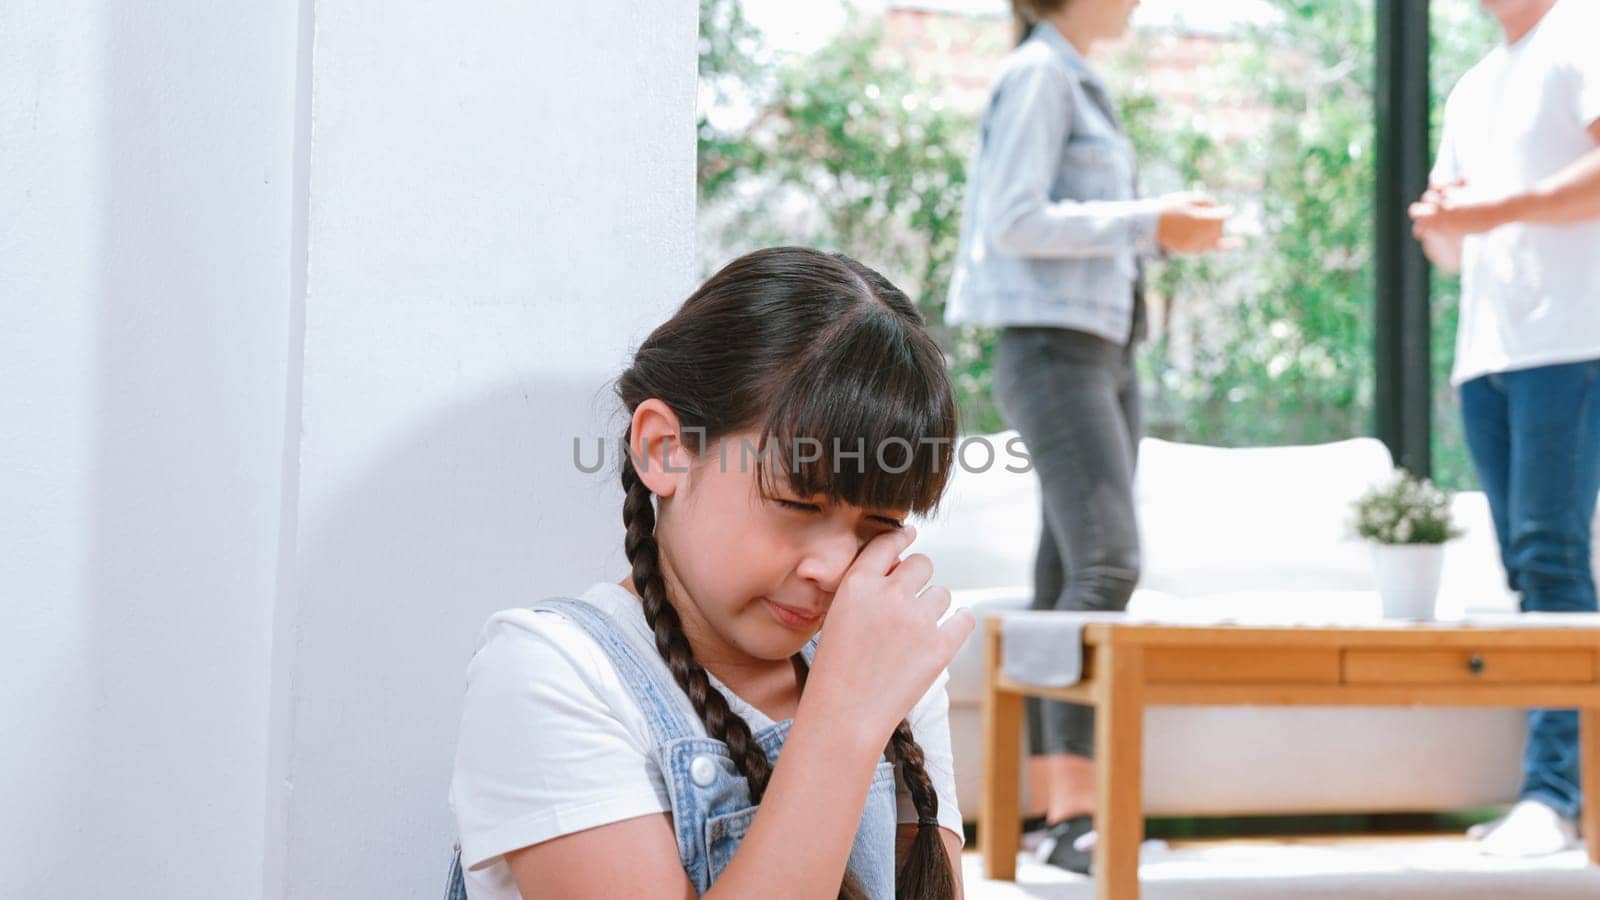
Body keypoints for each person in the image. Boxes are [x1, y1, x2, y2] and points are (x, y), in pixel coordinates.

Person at [444, 247, 976, 899]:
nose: (834, 568)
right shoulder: (548, 675)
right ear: (665, 449)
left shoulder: (887, 667)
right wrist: (843, 717)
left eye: (878, 525)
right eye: (796, 503)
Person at [944, 0, 1235, 875]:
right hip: (1051, 347)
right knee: (1108, 564)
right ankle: (1076, 813)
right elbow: (1013, 220)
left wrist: (1158, 236)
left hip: (1102, 345)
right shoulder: (1039, 75)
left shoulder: (1074, 76)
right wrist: (1150, 221)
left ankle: (1052, 812)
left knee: (1068, 571)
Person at [1410, 0, 1600, 859]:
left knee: (1553, 554)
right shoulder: (1473, 85)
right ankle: (1554, 792)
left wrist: (1490, 210)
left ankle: (1554, 797)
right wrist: (1443, 223)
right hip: (1487, 355)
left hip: (1574, 341)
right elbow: (1453, 244)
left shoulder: (1584, 32)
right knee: (1531, 568)